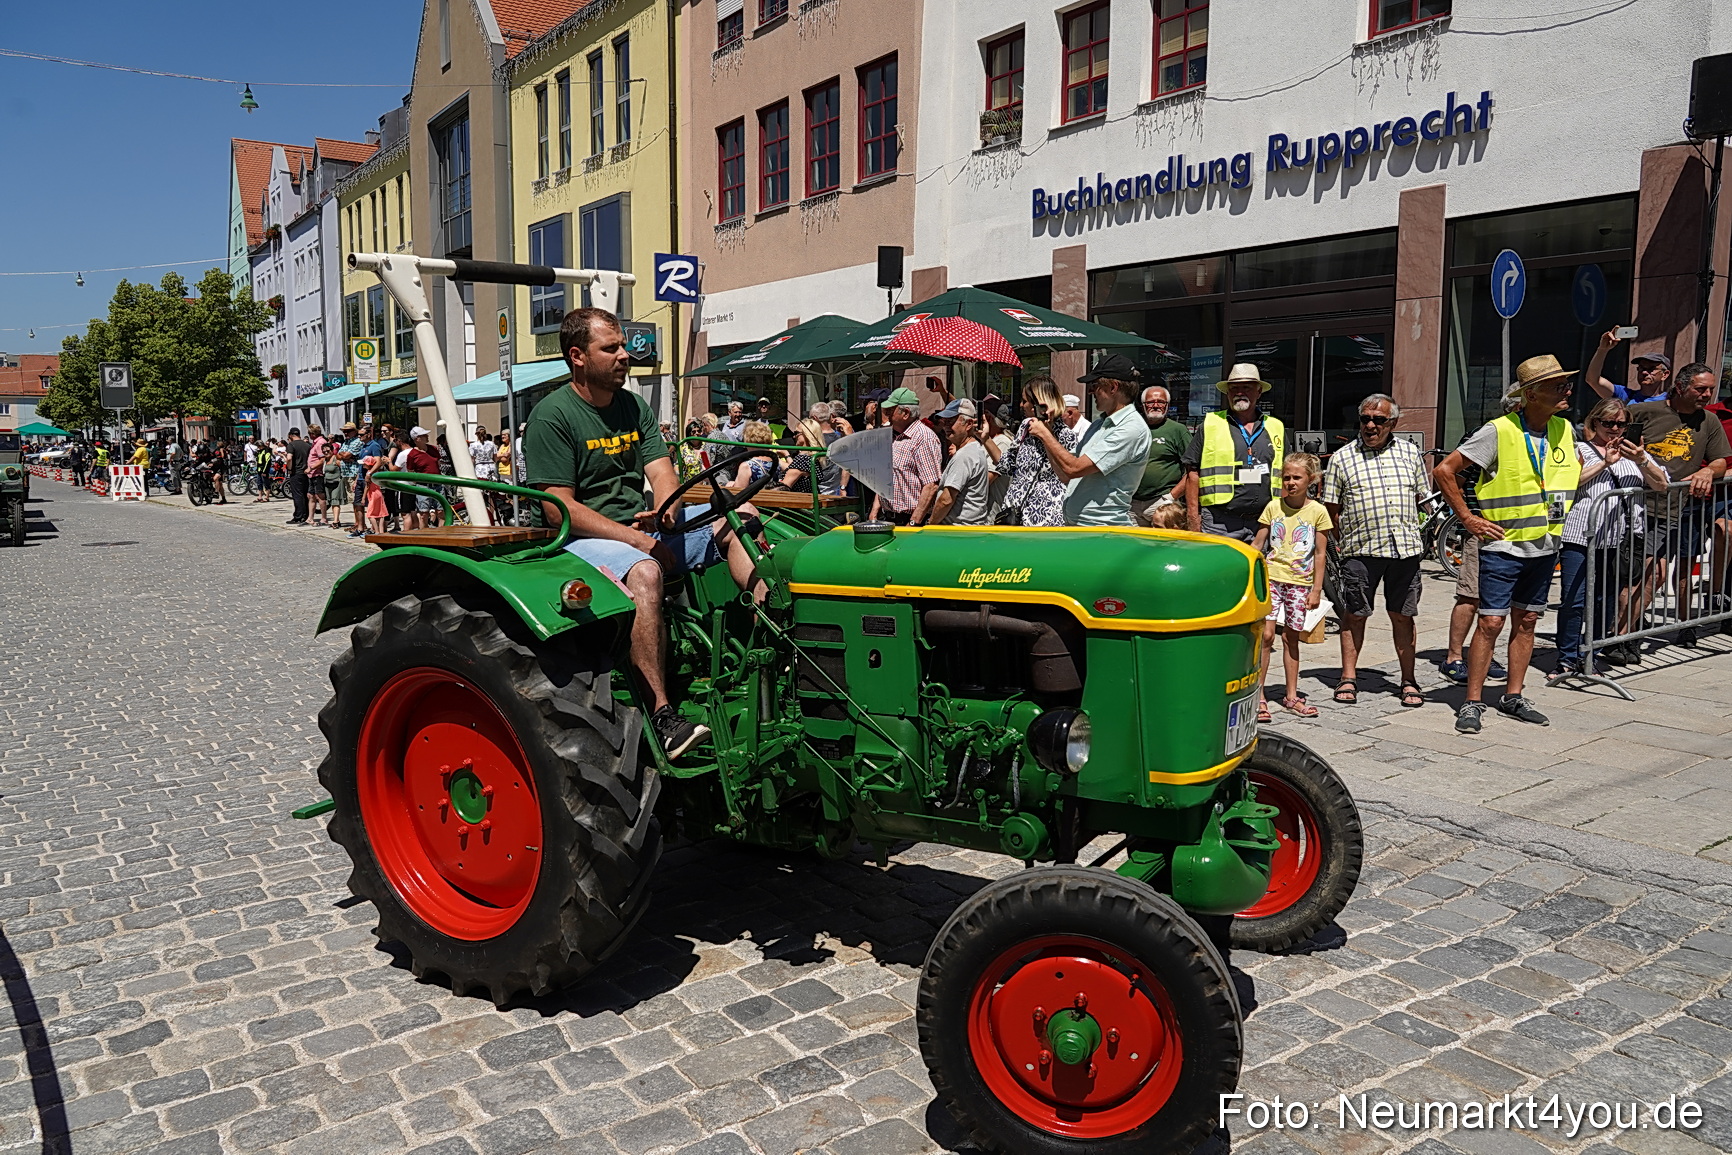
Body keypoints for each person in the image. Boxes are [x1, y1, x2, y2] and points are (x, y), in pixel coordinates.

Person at [526, 306, 766, 759]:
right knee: (645, 572)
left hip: (641, 529)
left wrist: (669, 506)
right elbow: (558, 510)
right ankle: (663, 714)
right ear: (578, 356)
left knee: (742, 515)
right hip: (581, 542)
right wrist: (638, 540)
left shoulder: (632, 405)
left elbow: (661, 471)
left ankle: (770, 645)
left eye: (623, 346)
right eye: (611, 348)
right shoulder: (552, 416)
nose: (625, 355)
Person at [1434, 355, 1582, 734]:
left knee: (1528, 621)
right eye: (1558, 386)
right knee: (1491, 622)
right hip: (1503, 547)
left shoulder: (1564, 430)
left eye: (1566, 384)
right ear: (1531, 394)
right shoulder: (1498, 430)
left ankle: (1513, 695)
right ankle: (1472, 700)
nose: (1567, 390)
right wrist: (1468, 518)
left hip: (1545, 545)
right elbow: (1444, 470)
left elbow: (1561, 479)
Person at [1613, 363, 1732, 662]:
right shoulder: (1644, 412)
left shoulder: (1709, 420)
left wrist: (1708, 471)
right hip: (1635, 507)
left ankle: (1625, 636)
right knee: (1636, 576)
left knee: (1654, 575)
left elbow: (1720, 460)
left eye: (1710, 389)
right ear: (1680, 387)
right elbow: (1600, 429)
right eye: (1700, 389)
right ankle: (1618, 637)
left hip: (1675, 509)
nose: (1707, 394)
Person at [1321, 393, 1429, 708]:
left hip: (1404, 551)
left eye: (1378, 420)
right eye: (1365, 419)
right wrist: (1342, 543)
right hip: (1360, 551)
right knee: (1354, 615)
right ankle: (1348, 678)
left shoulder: (1410, 453)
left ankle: (1408, 680)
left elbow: (1423, 497)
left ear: (1392, 423)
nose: (1370, 425)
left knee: (1403, 616)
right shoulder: (1342, 458)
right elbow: (1331, 510)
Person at [1555, 399, 1671, 676]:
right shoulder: (1580, 449)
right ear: (1594, 422)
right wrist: (1604, 464)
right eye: (1608, 423)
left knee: (1605, 601)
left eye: (1621, 424)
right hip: (1581, 537)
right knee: (1574, 600)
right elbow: (1566, 483)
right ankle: (1567, 657)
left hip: (1619, 540)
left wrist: (1641, 459)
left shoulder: (1635, 454)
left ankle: (1591, 655)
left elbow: (1662, 484)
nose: (1615, 429)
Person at [1251, 454, 1331, 721]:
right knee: (1266, 636)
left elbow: (1320, 553)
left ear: (1311, 479)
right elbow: (1258, 544)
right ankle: (1259, 695)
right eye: (1286, 477)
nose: (1291, 482)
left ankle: (1291, 695)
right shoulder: (1273, 507)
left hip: (1300, 583)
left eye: (1297, 477)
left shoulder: (1318, 512)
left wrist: (1316, 589)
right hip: (1272, 579)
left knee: (1291, 638)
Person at [1028, 354, 1151, 527]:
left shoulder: (1131, 428)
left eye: (1095, 385)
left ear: (1113, 387)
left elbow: (1073, 469)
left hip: (1102, 529)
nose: (1090, 391)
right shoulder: (1099, 425)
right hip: (1082, 526)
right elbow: (1064, 473)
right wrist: (1047, 432)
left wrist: (1045, 435)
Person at [1183, 363, 1284, 541]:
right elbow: (1192, 472)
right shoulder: (1212, 423)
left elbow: (1286, 473)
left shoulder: (1276, 426)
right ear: (1227, 393)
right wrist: (1193, 516)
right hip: (1219, 522)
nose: (1239, 392)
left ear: (1259, 391)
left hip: (1264, 522)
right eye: (1234, 388)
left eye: (1246, 387)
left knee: (1259, 561)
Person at [997, 376, 1079, 526]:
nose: (1021, 405)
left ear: (1037, 404)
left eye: (1025, 401)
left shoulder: (1066, 435)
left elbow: (1066, 475)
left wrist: (1046, 435)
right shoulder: (1025, 427)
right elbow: (1006, 466)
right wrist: (985, 439)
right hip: (1015, 514)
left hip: (1046, 519)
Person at [869, 386, 943, 525]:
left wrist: (913, 522)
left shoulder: (924, 438)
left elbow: (931, 485)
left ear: (906, 413)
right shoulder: (892, 436)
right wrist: (874, 511)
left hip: (910, 521)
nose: (886, 414)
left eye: (891, 410)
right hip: (888, 518)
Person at [1130, 384, 1190, 527]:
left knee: (1164, 540)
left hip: (1162, 502)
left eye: (1161, 402)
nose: (1156, 406)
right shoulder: (1132, 428)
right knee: (1133, 540)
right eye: (1151, 402)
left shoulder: (1177, 430)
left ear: (1167, 405)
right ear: (1143, 405)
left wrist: (1171, 496)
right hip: (1132, 503)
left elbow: (1193, 469)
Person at [930, 399, 994, 525]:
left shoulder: (965, 455)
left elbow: (946, 500)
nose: (945, 426)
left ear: (968, 424)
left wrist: (931, 524)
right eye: (944, 421)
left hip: (958, 530)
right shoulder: (973, 449)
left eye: (951, 421)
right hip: (966, 529)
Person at [1583, 331, 1670, 404]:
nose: (1644, 372)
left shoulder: (1671, 401)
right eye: (1641, 368)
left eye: (1651, 369)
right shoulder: (1625, 396)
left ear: (1664, 375)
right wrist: (1602, 349)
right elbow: (1593, 380)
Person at [781, 417, 843, 496]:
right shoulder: (812, 457)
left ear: (806, 435)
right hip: (807, 498)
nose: (794, 436)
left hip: (798, 500)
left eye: (796, 433)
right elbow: (795, 469)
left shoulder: (803, 459)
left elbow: (784, 486)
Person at [722, 421, 781, 492]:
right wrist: (787, 456)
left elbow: (738, 494)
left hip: (756, 498)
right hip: (773, 497)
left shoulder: (747, 466)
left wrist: (731, 485)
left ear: (747, 439)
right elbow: (790, 468)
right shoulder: (776, 461)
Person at [284, 428, 312, 525]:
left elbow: (289, 458)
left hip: (296, 472)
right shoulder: (307, 445)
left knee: (297, 494)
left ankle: (298, 516)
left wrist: (289, 468)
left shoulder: (291, 445)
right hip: (306, 472)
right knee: (305, 494)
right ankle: (306, 514)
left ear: (291, 435)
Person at [306, 424, 330, 525]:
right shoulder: (315, 443)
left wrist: (311, 468)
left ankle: (323, 518)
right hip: (312, 474)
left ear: (312, 433)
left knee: (320, 496)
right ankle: (310, 518)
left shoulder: (320, 442)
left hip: (318, 473)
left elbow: (322, 459)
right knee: (311, 496)